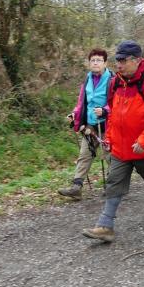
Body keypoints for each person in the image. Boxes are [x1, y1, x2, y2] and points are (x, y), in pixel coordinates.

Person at [82, 41, 144, 242]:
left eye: (123, 60)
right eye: (117, 60)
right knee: (114, 184)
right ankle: (105, 226)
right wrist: (110, 138)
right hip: (121, 149)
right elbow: (112, 113)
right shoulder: (115, 82)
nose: (118, 64)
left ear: (136, 60)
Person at [59, 48, 113, 200]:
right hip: (90, 126)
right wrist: (75, 114)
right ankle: (76, 188)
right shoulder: (87, 80)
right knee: (84, 155)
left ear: (105, 63)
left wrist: (105, 110)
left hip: (108, 125)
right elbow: (82, 103)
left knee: (110, 157)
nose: (95, 63)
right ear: (89, 63)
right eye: (93, 60)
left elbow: (117, 102)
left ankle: (115, 186)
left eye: (99, 60)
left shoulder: (113, 80)